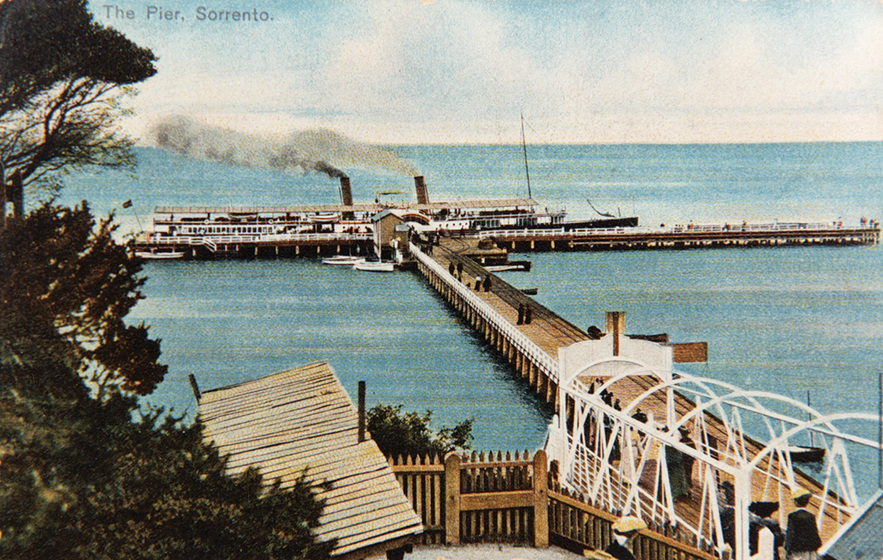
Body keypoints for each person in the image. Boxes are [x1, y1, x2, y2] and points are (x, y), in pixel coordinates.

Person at [784, 487, 821, 560]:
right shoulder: (811, 516)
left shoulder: (792, 516)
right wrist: (816, 546)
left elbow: (791, 533)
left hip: (797, 550)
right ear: (807, 502)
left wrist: (787, 548)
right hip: (809, 550)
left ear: (796, 502)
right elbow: (814, 533)